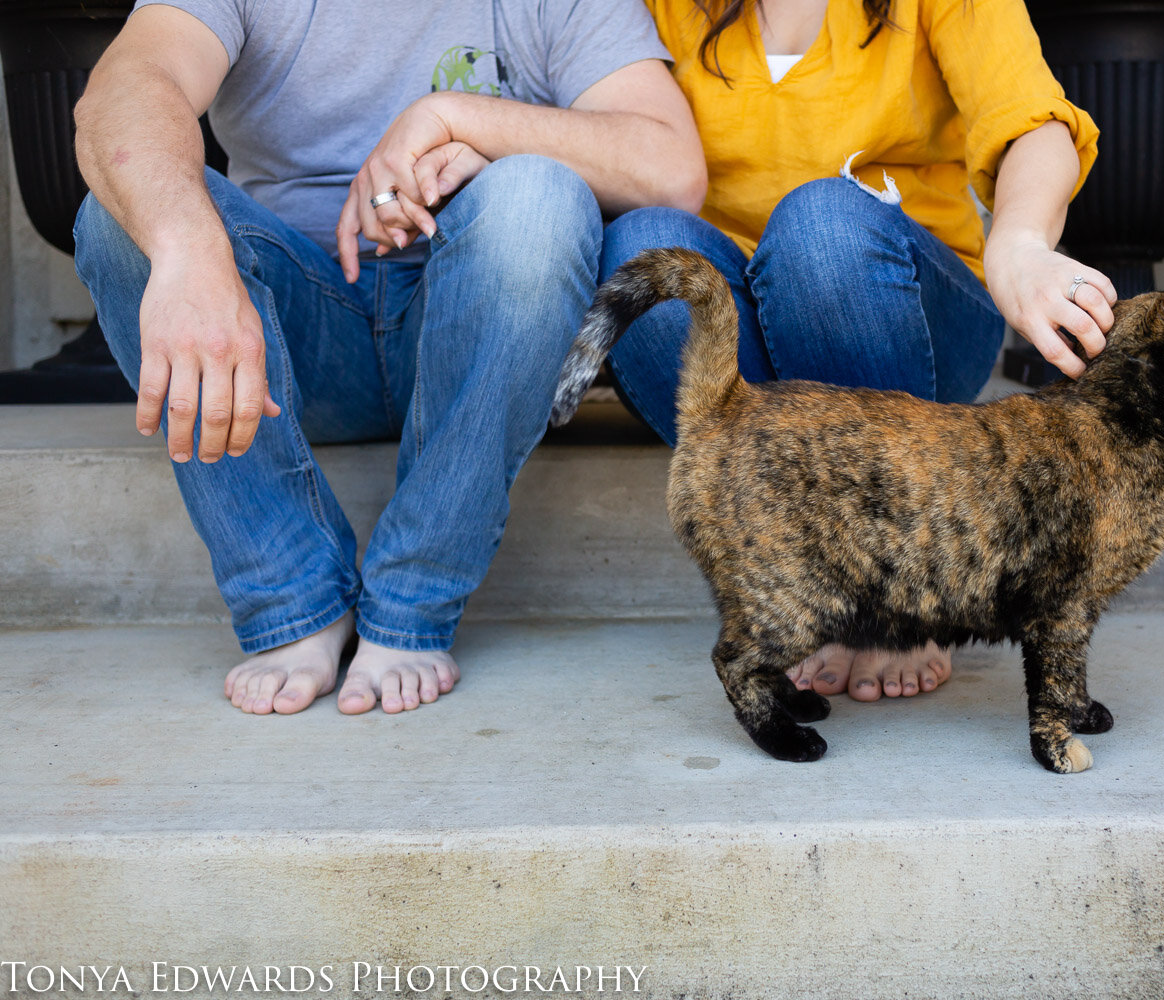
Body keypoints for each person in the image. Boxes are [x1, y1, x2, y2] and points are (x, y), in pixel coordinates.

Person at [72, 0, 705, 716]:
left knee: (540, 197)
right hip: (290, 331)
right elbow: (125, 91)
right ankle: (292, 595)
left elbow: (671, 166)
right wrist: (189, 250)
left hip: (470, 321)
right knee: (127, 215)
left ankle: (414, 596)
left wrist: (456, 117)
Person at [596, 0, 1115, 703]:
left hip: (899, 306)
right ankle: (810, 574)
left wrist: (1020, 244)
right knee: (640, 250)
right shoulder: (664, 9)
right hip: (752, 349)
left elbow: (1036, 125)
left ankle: (904, 584)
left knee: (821, 228)